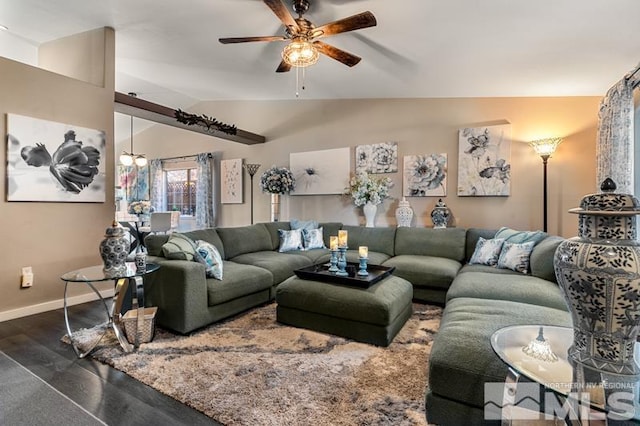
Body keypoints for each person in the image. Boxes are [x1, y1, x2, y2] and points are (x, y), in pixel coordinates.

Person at [21, 130, 100, 194]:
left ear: (36, 153)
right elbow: (70, 188)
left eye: (29, 161)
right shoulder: (54, 166)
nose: (29, 164)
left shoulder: (57, 158)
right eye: (28, 163)